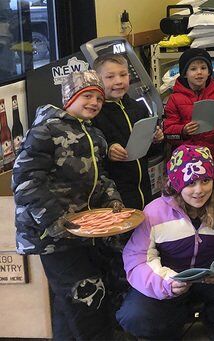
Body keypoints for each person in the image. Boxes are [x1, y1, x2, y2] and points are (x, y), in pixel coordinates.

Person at [13, 70, 124, 340]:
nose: (94, 102)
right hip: (52, 235)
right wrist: (56, 221)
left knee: (68, 303)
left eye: (98, 98)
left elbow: (99, 178)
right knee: (87, 295)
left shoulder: (95, 136)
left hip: (84, 233)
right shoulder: (46, 130)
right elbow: (24, 180)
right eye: (87, 95)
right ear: (69, 97)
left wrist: (112, 198)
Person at [116, 145, 214, 340]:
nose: (199, 191)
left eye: (205, 181)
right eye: (190, 183)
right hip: (172, 282)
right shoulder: (154, 212)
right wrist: (165, 282)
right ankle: (172, 326)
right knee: (134, 315)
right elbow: (137, 258)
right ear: (177, 184)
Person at [92, 53, 164, 210]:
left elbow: (149, 151)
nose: (118, 81)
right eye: (110, 77)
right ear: (98, 80)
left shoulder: (138, 108)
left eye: (123, 75)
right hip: (116, 194)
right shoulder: (94, 113)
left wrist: (156, 140)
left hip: (144, 188)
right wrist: (108, 150)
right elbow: (91, 152)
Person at [164, 48, 214, 164]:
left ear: (209, 72)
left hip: (213, 159)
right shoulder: (174, 99)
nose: (199, 72)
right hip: (186, 161)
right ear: (184, 73)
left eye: (203, 68)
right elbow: (168, 132)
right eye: (193, 69)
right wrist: (183, 131)